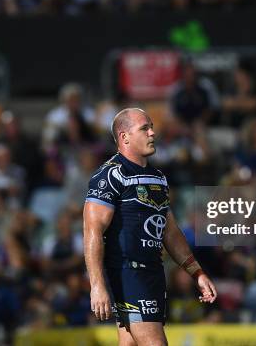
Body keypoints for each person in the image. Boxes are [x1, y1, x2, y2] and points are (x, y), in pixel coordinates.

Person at [83, 108, 217, 346]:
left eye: (152, 127)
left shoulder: (158, 178)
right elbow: (92, 230)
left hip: (153, 273)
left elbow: (170, 231)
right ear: (124, 137)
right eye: (144, 128)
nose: (153, 133)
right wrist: (97, 285)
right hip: (127, 272)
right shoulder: (110, 176)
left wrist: (197, 272)